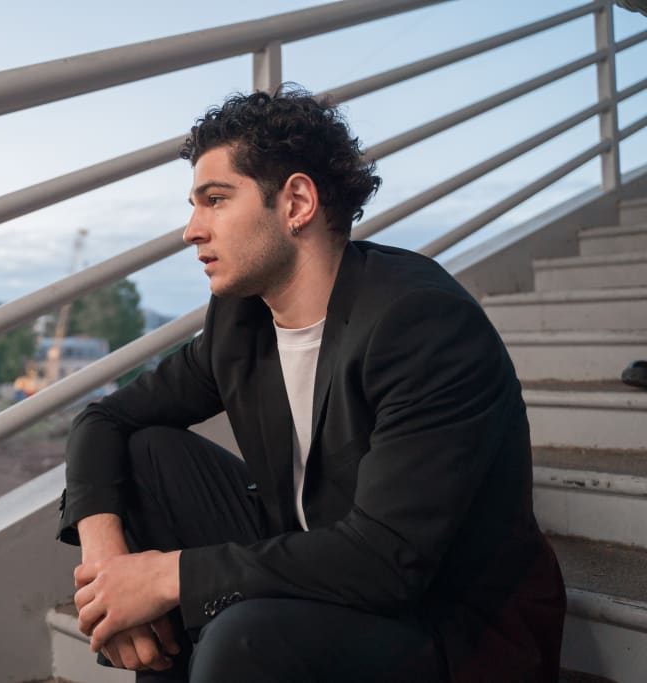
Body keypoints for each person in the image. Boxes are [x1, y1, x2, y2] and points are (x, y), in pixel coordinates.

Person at [57, 87, 566, 682]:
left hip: (448, 625)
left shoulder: (421, 323)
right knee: (147, 452)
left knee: (244, 637)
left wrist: (166, 576)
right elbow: (104, 419)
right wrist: (110, 565)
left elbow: (386, 561)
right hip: (321, 568)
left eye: (215, 200)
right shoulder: (240, 320)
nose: (191, 230)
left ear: (296, 202)